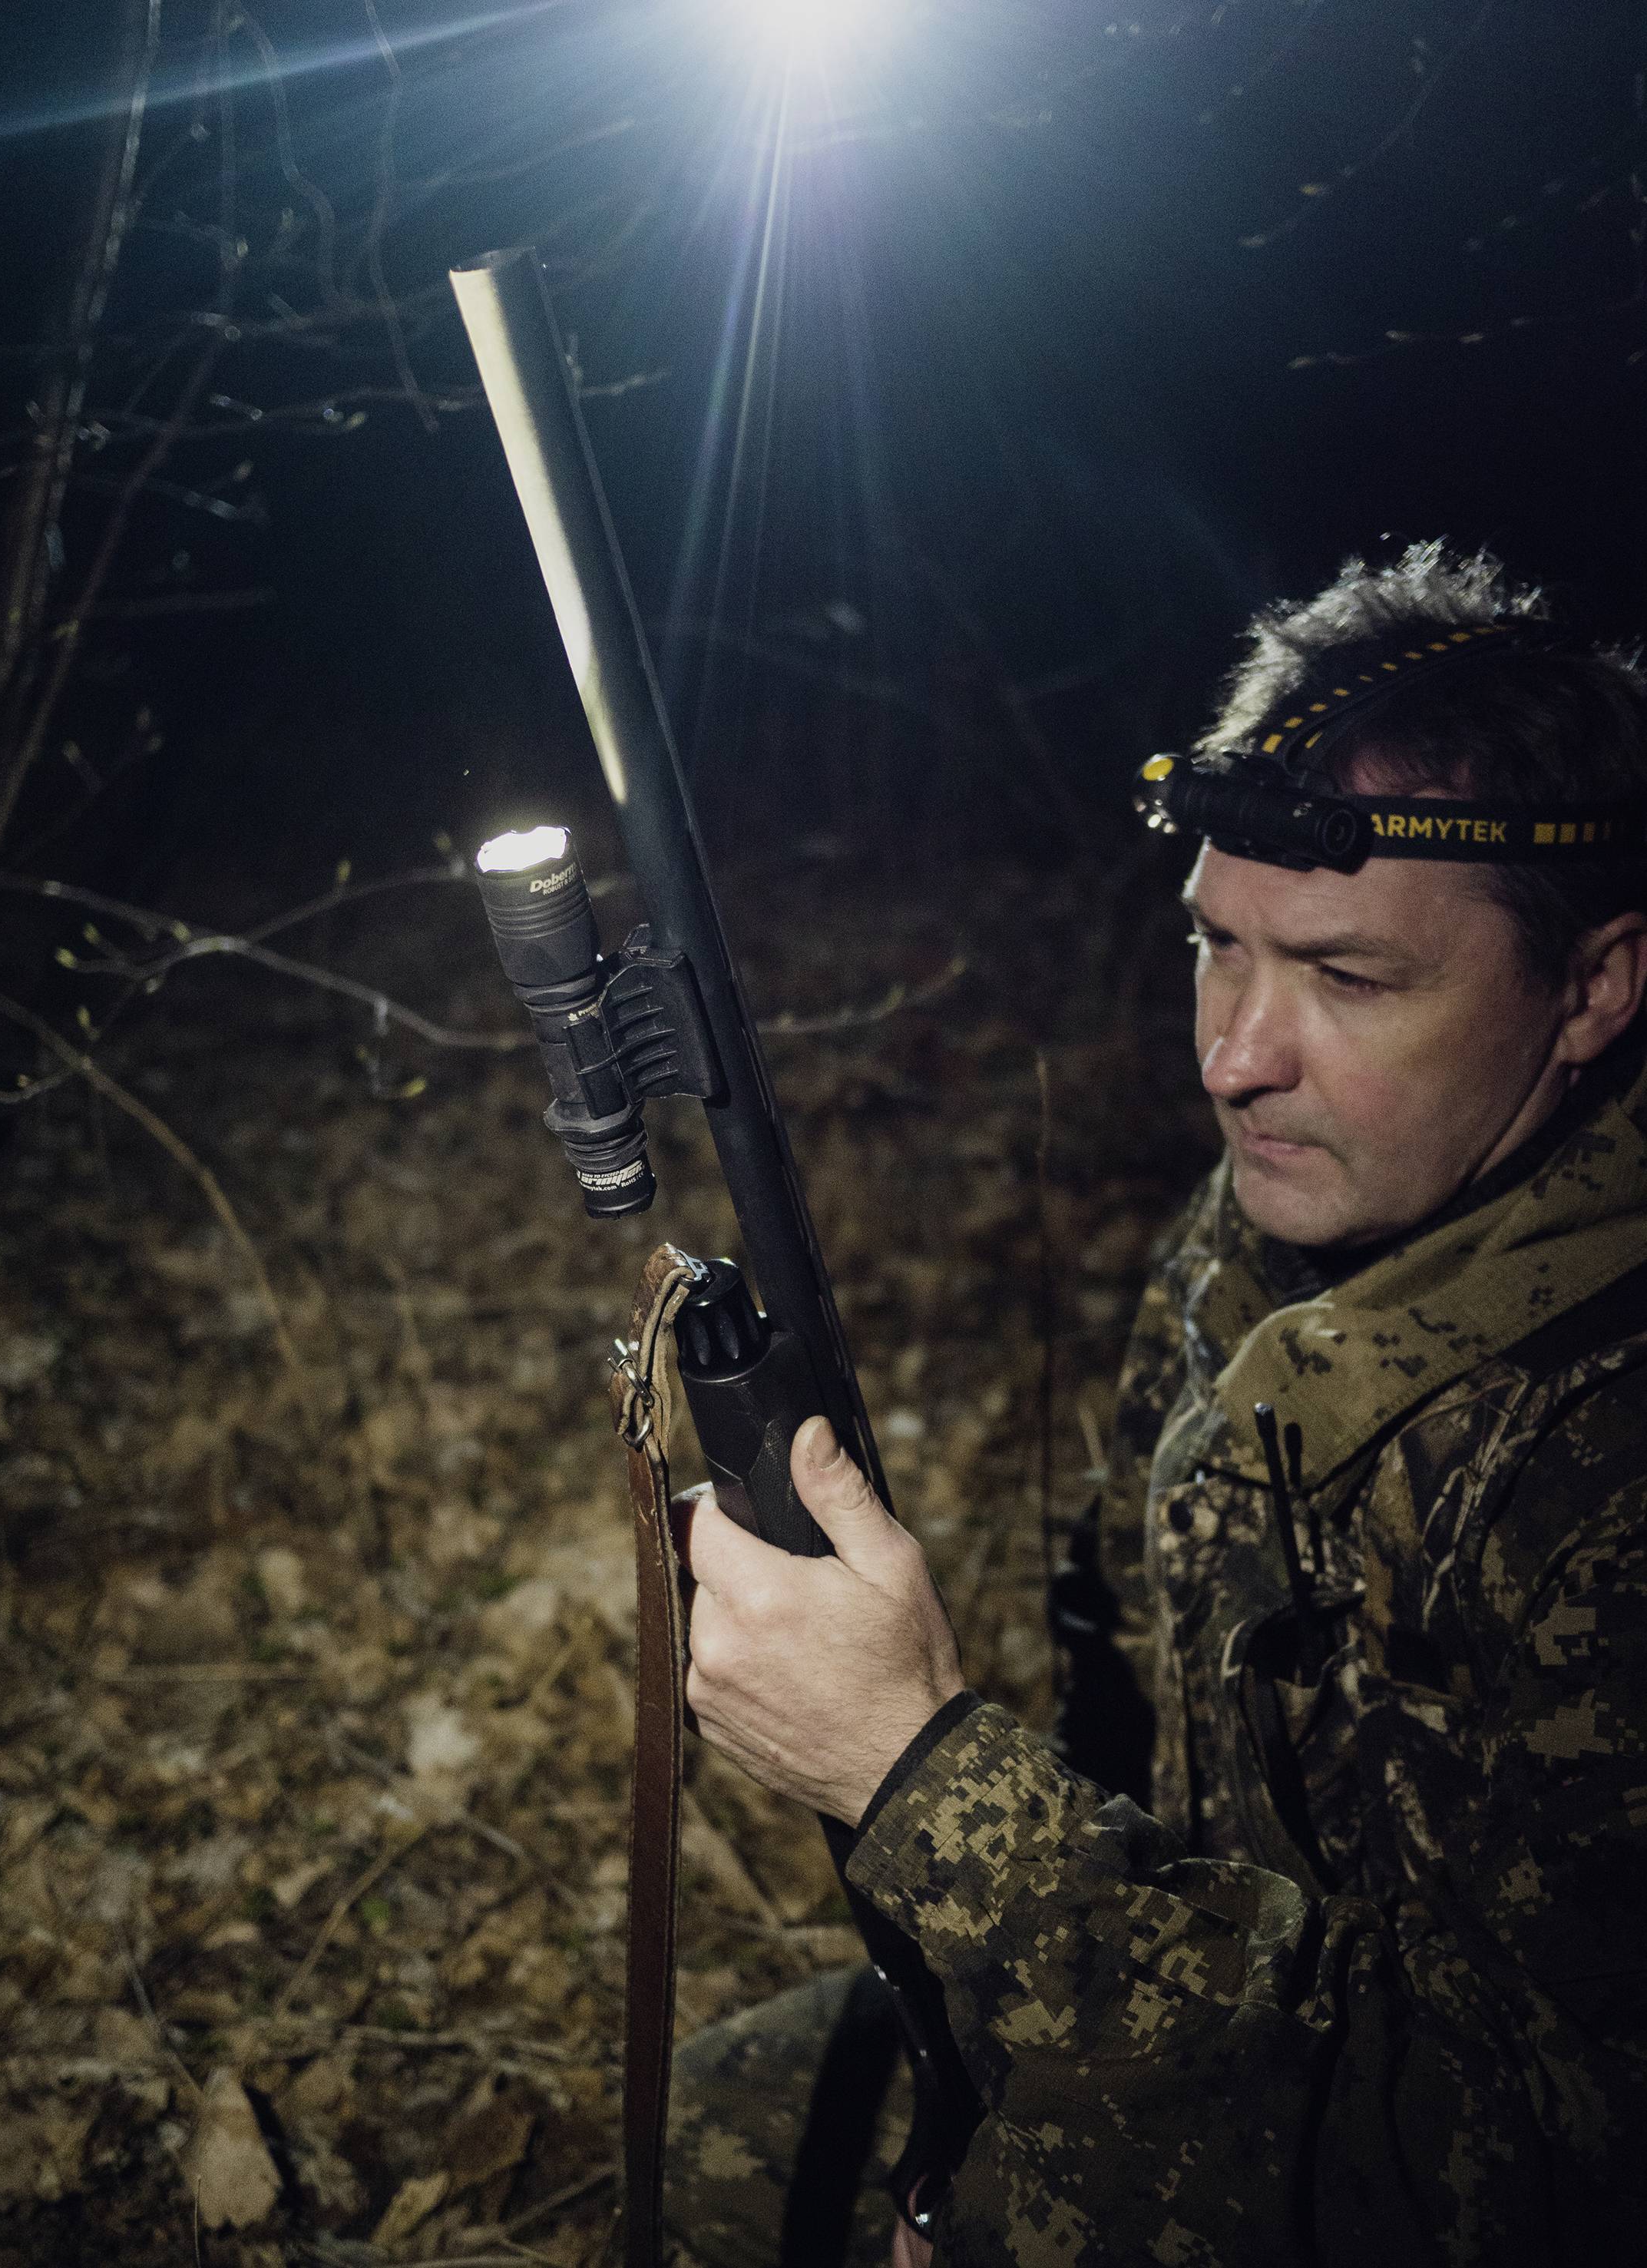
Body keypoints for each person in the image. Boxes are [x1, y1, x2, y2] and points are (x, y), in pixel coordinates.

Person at [666, 543, 1647, 2267]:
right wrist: (1003, 2094)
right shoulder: (1277, 1226)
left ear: (1590, 988)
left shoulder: (1608, 1472)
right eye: (1215, 946)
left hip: (1392, 2167)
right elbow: (1131, 1681)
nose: (1232, 1054)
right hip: (1214, 2007)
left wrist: (926, 1783)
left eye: (1349, 978)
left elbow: (1539, 2180)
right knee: (718, 2141)